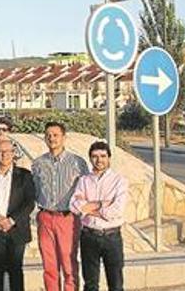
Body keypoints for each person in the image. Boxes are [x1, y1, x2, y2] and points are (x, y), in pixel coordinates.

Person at [32, 121, 89, 291]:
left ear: (64, 138)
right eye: (48, 135)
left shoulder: (77, 163)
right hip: (45, 217)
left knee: (68, 263)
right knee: (49, 265)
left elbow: (85, 190)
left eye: (56, 135)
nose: (52, 138)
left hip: (67, 219)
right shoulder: (38, 163)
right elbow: (34, 189)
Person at [70, 141, 128, 291]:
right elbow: (74, 206)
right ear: (90, 158)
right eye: (95, 156)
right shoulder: (84, 180)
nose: (99, 160)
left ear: (109, 158)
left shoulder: (119, 181)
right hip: (89, 236)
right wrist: (103, 204)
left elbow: (116, 211)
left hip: (112, 237)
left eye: (103, 156)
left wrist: (89, 207)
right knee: (90, 284)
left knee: (115, 284)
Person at [0, 138, 36, 291]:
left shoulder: (25, 175)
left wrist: (10, 221)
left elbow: (29, 203)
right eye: (0, 152)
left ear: (13, 154)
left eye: (7, 151)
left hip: (17, 230)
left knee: (15, 271)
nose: (3, 155)